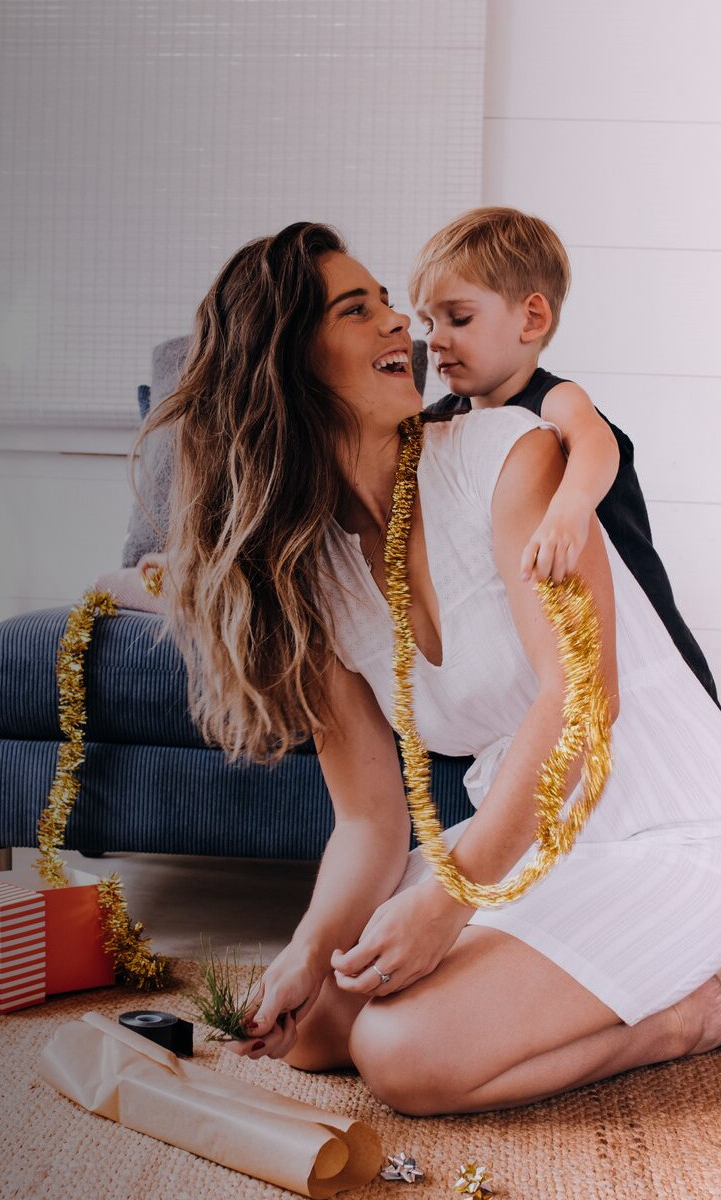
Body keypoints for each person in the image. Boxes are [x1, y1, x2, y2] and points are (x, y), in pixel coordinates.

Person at [145, 221, 721, 1115]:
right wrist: (305, 946)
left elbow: (583, 701)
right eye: (356, 309)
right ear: (286, 363)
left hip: (662, 816)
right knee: (322, 1026)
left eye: (387, 304)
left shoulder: (506, 456)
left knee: (402, 1054)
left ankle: (687, 1019)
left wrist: (452, 899)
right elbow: (371, 820)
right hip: (533, 828)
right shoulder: (314, 575)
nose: (399, 328)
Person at [411, 205, 716, 703]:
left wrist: (567, 511)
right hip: (556, 645)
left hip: (640, 635)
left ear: (531, 318)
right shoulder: (444, 421)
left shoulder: (553, 398)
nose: (437, 339)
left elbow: (597, 443)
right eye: (428, 323)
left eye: (459, 318)